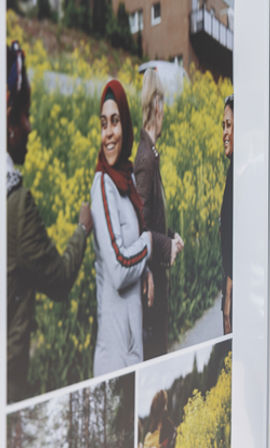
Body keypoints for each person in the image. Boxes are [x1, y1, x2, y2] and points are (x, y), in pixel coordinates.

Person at [6, 41, 92, 403]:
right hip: (5, 387)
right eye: (24, 115)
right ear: (8, 117)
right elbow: (58, 280)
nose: (30, 126)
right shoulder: (15, 204)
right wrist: (83, 229)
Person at [91, 79, 153, 375]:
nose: (108, 132)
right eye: (103, 124)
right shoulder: (104, 185)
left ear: (125, 126)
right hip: (114, 356)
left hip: (130, 349)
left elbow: (129, 248)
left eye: (115, 121)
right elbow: (118, 268)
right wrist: (149, 243)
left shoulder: (126, 180)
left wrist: (145, 270)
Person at [135, 69, 185, 360]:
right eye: (163, 103)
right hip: (151, 278)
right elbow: (140, 227)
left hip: (155, 270)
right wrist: (167, 247)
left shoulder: (150, 153)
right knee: (155, 353)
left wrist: (171, 237)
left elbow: (151, 217)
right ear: (156, 105)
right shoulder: (145, 158)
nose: (165, 112)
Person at [220, 95, 234, 333]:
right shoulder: (235, 168)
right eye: (223, 125)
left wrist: (230, 286)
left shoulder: (240, 173)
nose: (224, 133)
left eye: (229, 125)